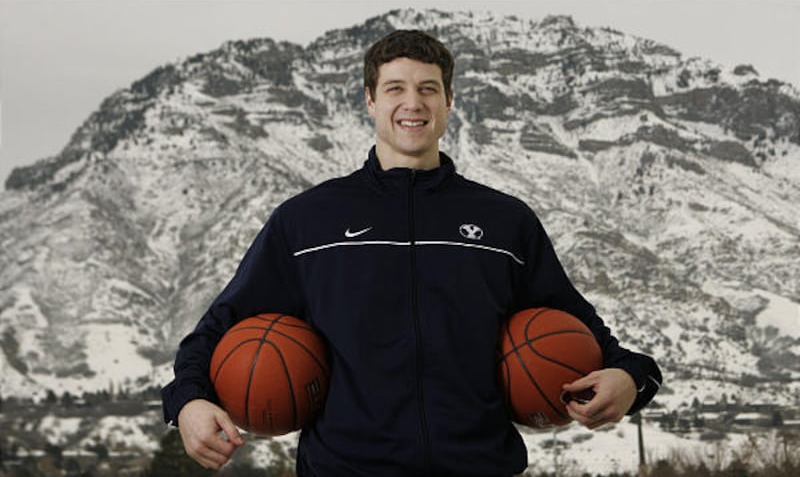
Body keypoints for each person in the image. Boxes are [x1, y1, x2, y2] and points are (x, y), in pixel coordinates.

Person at [161, 29, 662, 477]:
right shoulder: (307, 220)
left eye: (428, 89)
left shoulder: (505, 221)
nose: (413, 103)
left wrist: (631, 379)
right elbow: (219, 327)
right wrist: (188, 402)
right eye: (395, 88)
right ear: (370, 101)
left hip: (480, 466)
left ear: (449, 101)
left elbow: (583, 331)